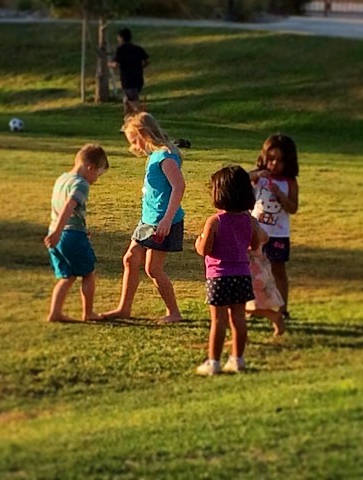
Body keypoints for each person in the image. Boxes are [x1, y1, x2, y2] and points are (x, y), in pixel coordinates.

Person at [103, 112, 184, 323]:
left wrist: (167, 219)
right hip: (147, 219)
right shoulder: (154, 155)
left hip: (162, 221)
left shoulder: (165, 157)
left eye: (133, 140)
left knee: (153, 269)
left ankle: (174, 313)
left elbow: (179, 186)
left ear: (144, 133)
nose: (133, 146)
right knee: (130, 259)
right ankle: (124, 309)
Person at [195, 165, 259, 375]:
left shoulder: (214, 221)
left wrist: (198, 242)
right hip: (242, 275)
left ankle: (213, 362)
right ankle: (237, 359)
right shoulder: (249, 220)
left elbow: (205, 250)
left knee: (218, 321)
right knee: (238, 319)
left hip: (219, 277)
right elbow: (255, 245)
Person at [43, 144, 109, 323]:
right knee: (88, 273)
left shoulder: (62, 179)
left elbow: (61, 209)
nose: (96, 179)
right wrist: (61, 232)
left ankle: (55, 312)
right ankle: (88, 313)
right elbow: (69, 207)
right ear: (90, 168)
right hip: (69, 234)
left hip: (57, 232)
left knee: (68, 275)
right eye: (98, 174)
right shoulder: (81, 184)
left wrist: (56, 231)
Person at [250, 134, 299, 320]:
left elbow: (293, 208)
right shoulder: (259, 178)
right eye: (270, 159)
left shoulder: (290, 182)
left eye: (280, 161)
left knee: (278, 271)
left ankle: (282, 310)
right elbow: (241, 180)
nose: (274, 164)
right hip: (257, 232)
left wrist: (281, 195)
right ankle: (256, 308)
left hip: (278, 235)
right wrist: (256, 174)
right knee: (256, 270)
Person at [246, 221, 286, 336]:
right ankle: (274, 317)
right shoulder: (249, 221)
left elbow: (264, 238)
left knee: (237, 305)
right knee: (238, 306)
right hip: (250, 266)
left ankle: (274, 316)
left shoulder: (249, 222)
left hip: (251, 267)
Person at [108, 27, 149, 123]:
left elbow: (116, 64)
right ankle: (127, 123)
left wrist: (108, 64)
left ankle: (142, 120)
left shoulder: (121, 49)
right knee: (126, 102)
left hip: (128, 79)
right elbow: (147, 61)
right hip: (138, 78)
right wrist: (140, 67)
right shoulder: (137, 49)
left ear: (121, 38)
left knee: (133, 102)